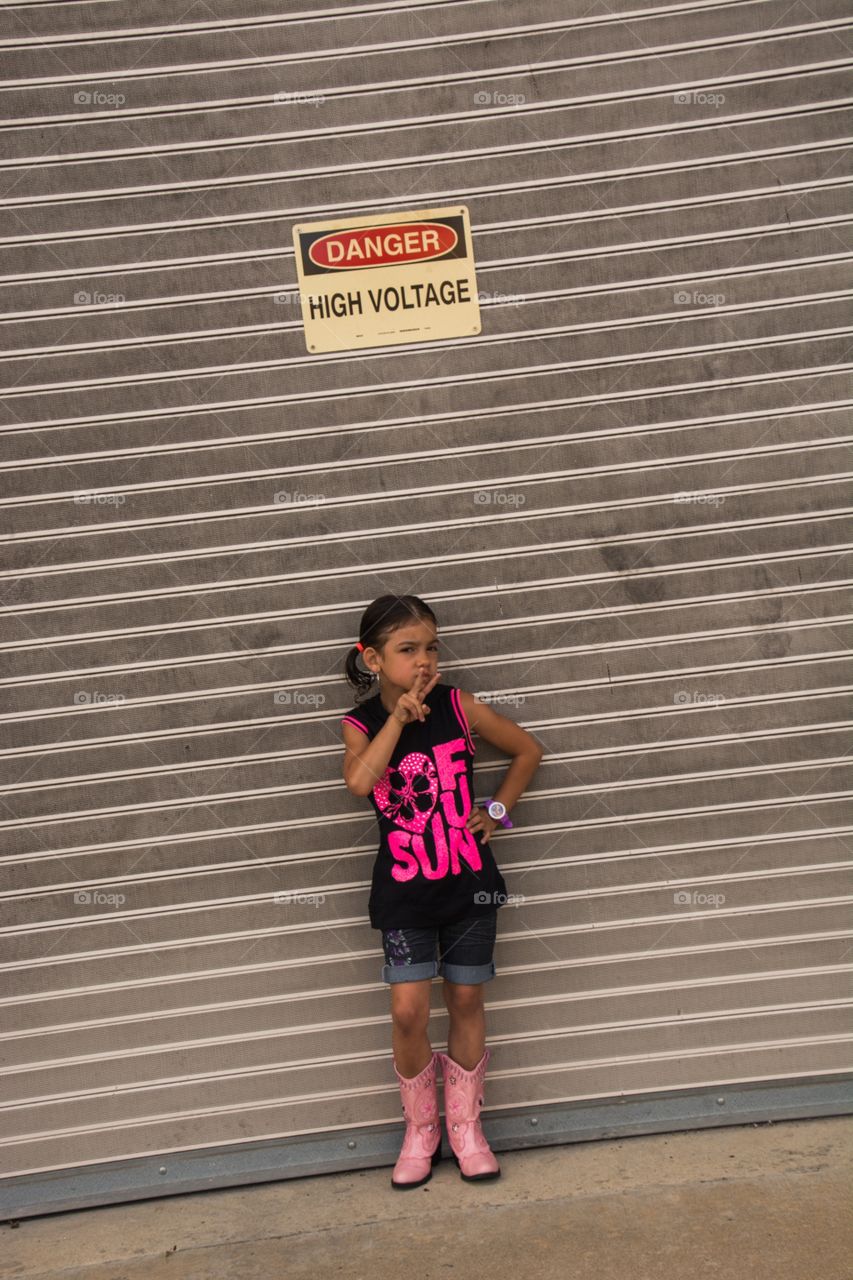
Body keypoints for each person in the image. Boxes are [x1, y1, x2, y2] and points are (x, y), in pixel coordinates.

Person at [340, 593, 543, 1189]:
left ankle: (465, 1127)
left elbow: (527, 751)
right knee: (407, 1011)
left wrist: (498, 811)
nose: (425, 661)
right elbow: (359, 783)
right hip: (404, 893)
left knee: (466, 1001)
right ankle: (420, 1129)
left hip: (469, 886)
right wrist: (399, 719)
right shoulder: (362, 725)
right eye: (408, 650)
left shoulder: (459, 706)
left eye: (432, 647)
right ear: (372, 660)